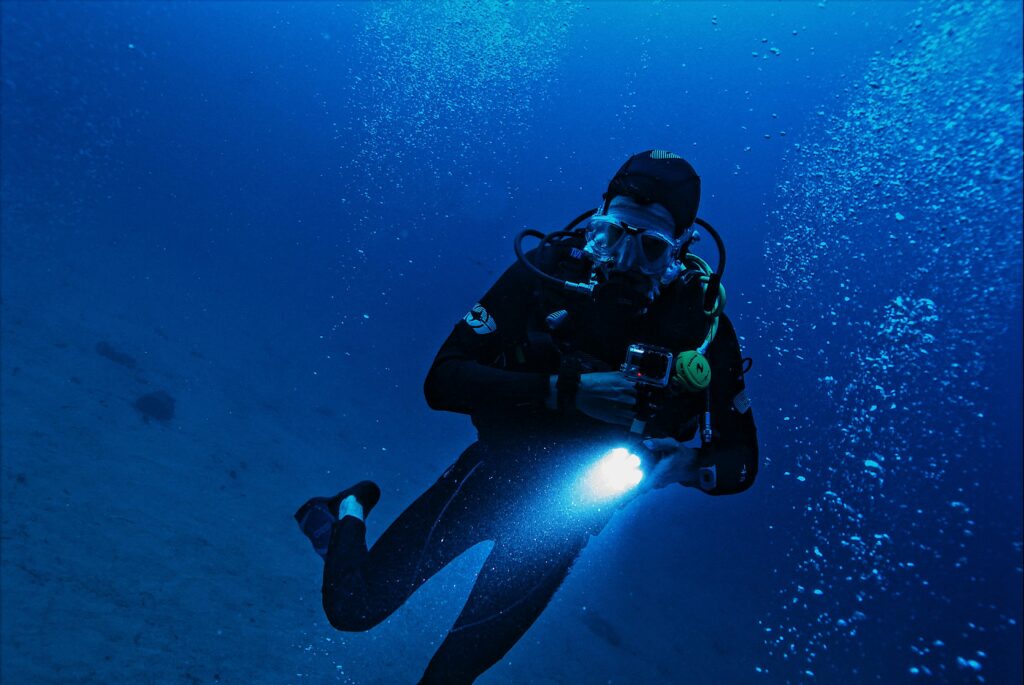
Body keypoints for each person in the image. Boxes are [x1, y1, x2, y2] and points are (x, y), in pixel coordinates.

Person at [294, 150, 759, 684]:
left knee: (449, 677)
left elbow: (743, 461)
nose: (624, 261)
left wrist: (681, 467)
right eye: (611, 236)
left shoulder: (700, 327)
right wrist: (566, 391)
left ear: (679, 249)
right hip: (489, 474)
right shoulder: (545, 275)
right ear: (598, 218)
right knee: (353, 611)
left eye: (651, 247)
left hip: (565, 523)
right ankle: (349, 506)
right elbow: (441, 381)